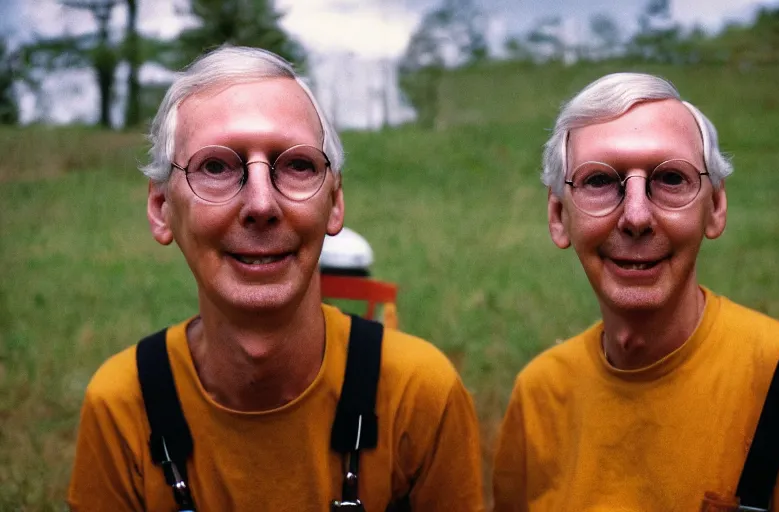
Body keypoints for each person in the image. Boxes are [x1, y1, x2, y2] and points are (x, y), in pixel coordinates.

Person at [67, 46, 484, 511]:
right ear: (161, 208)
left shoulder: (419, 395)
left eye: (297, 165)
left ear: (336, 202)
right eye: (217, 167)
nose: (262, 204)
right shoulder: (123, 406)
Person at [492, 72, 779, 511]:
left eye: (670, 179)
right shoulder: (539, 396)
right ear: (557, 216)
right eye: (598, 182)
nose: (636, 215)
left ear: (716, 208)